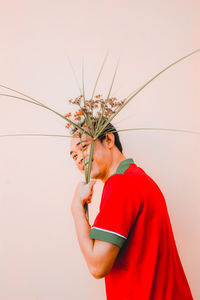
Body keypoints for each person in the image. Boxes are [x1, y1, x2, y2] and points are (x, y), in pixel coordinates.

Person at [70, 121, 193, 300]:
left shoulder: (121, 185)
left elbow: (97, 266)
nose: (79, 158)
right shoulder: (138, 178)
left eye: (84, 147)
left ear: (109, 140)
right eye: (73, 156)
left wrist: (76, 209)